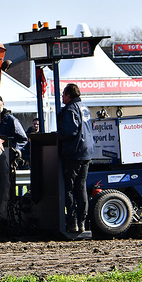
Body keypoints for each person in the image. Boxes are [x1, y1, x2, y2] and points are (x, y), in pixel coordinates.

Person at [57, 83, 94, 234]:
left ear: (68, 95)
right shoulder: (84, 107)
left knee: (69, 189)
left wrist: (57, 136)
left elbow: (69, 131)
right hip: (87, 152)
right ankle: (82, 221)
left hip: (74, 153)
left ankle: (72, 223)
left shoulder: (71, 109)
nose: (62, 98)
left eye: (63, 95)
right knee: (81, 187)